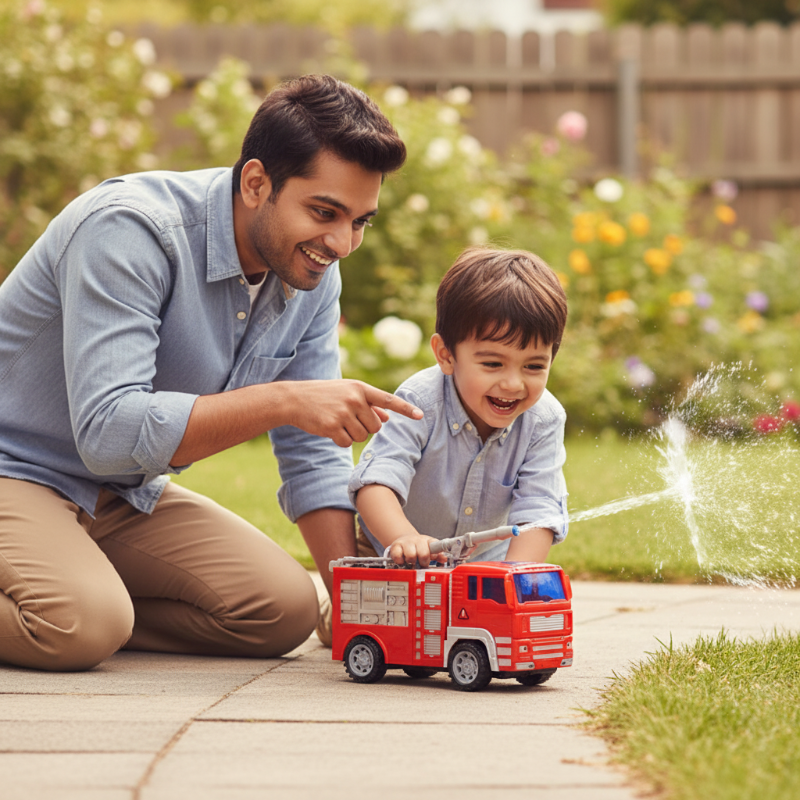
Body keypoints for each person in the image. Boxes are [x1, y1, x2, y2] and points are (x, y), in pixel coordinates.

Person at [0, 74, 423, 671]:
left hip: (119, 494)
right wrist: (282, 400)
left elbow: (312, 446)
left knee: (281, 611)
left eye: (360, 220)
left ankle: (83, 599)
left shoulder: (311, 271)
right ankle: (81, 608)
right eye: (325, 211)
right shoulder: (130, 231)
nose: (342, 242)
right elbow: (109, 432)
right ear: (256, 182)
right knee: (80, 626)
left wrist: (353, 600)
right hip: (12, 467)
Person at [349, 246, 569, 567]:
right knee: (390, 617)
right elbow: (376, 482)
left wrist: (515, 576)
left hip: (482, 564)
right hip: (392, 553)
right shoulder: (420, 402)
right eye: (493, 363)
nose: (513, 384)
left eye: (534, 367)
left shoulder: (544, 419)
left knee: (484, 617)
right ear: (446, 355)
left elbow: (539, 509)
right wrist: (403, 537)